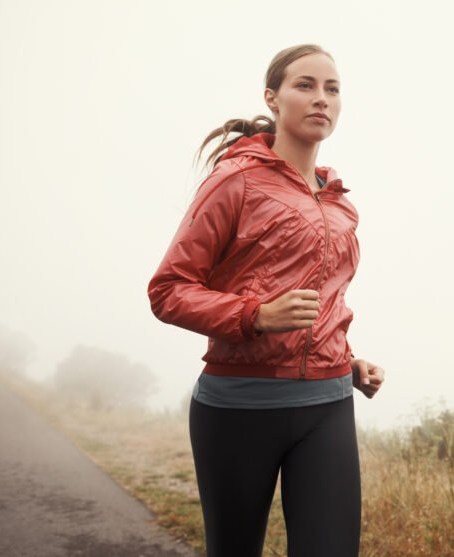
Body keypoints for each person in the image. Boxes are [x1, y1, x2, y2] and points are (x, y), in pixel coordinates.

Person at [147, 44, 384, 557]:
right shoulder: (234, 181)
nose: (321, 98)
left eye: (332, 88)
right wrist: (255, 317)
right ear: (272, 99)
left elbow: (323, 302)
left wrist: (346, 358)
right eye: (306, 85)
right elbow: (168, 291)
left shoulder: (341, 205)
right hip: (238, 406)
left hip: (327, 405)